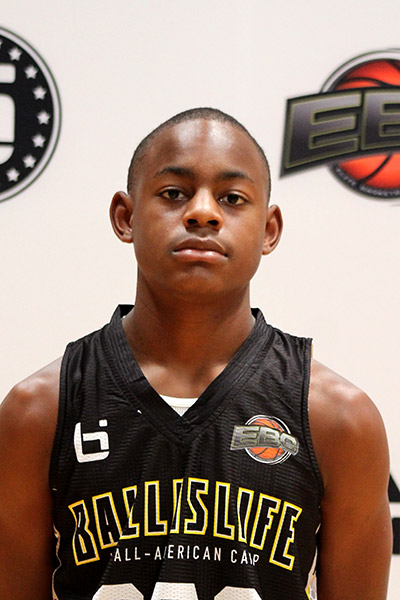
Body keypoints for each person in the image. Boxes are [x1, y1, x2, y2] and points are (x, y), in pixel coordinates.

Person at [0, 108, 392, 600]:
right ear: (125, 217)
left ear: (269, 229)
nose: (202, 212)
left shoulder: (340, 420)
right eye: (173, 193)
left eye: (232, 198)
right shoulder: (38, 412)